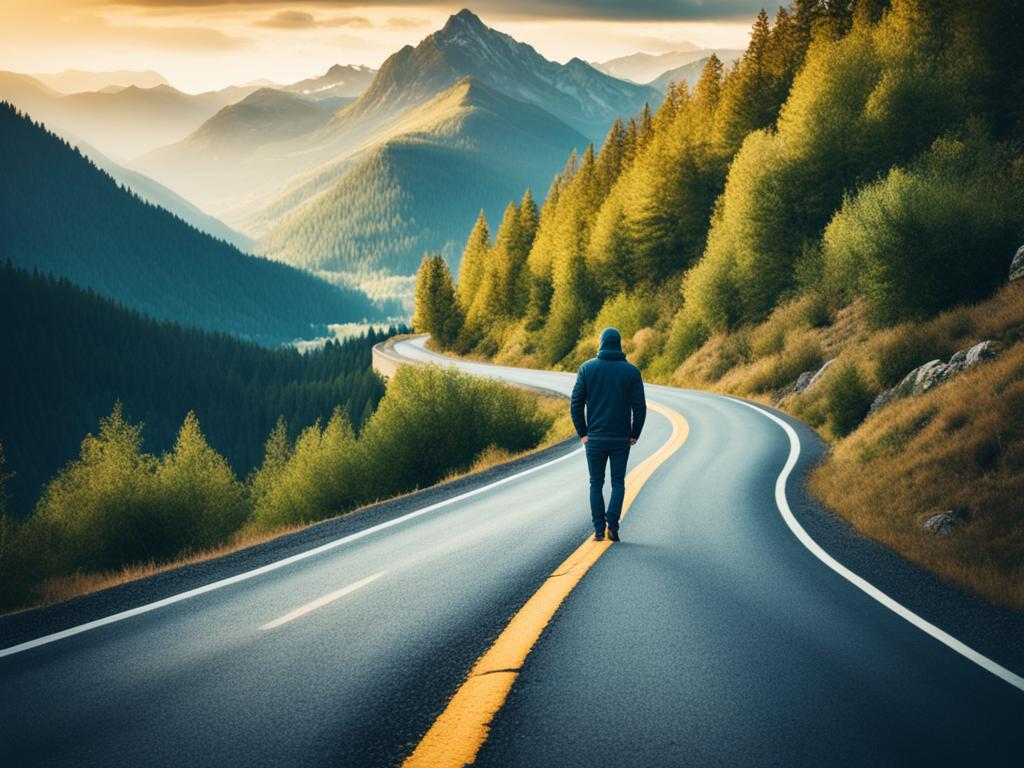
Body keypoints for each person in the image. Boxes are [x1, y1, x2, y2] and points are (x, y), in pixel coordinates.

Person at [570, 327, 646, 542]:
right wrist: (634, 433)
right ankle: (613, 525)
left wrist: (583, 433)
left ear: (601, 343)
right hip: (621, 438)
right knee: (618, 483)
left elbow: (575, 404)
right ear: (619, 344)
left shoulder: (587, 369)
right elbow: (639, 407)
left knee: (596, 483)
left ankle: (598, 530)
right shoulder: (632, 372)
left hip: (594, 438)